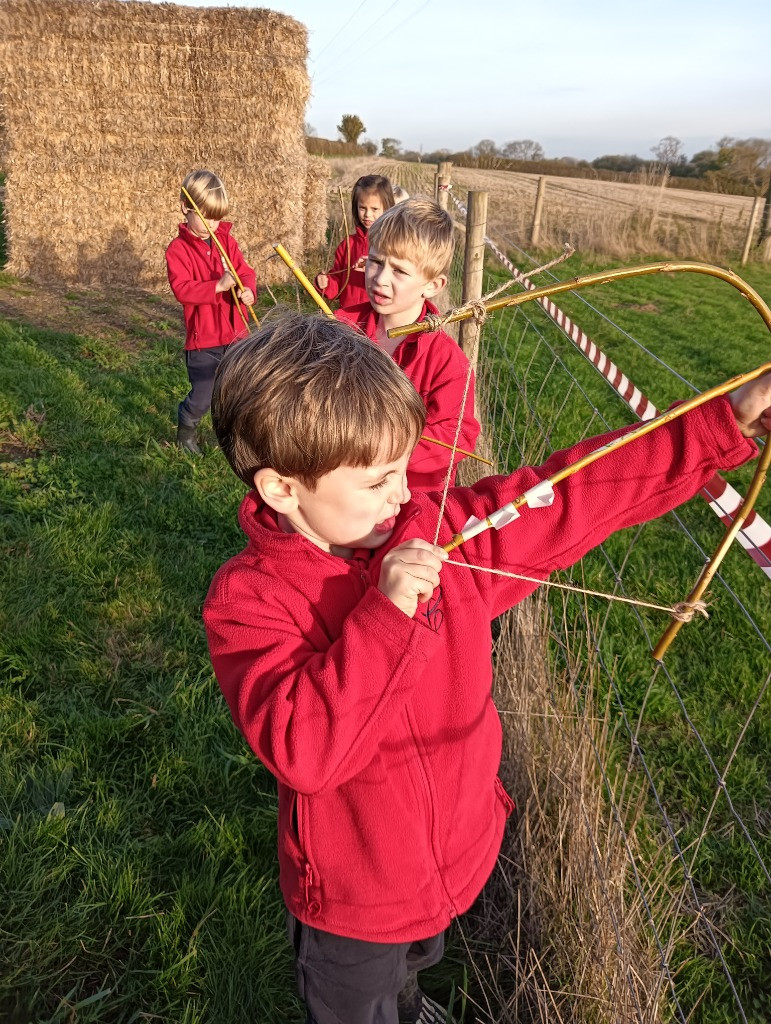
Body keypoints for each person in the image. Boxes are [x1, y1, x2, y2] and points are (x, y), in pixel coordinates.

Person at [203, 311, 770, 1024]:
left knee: (417, 965)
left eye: (405, 469)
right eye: (378, 481)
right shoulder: (249, 601)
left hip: (456, 852)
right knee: (357, 1003)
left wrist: (723, 423)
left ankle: (409, 1003)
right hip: (357, 898)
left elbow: (566, 494)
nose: (405, 495)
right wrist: (385, 616)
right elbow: (305, 750)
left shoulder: (437, 536)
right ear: (283, 489)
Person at [337, 197, 480, 491]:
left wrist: (386, 450)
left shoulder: (447, 362)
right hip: (345, 485)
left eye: (399, 271)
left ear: (433, 285)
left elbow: (457, 435)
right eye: (375, 262)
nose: (380, 279)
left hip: (411, 496)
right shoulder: (341, 327)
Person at [165, 169, 257, 454]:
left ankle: (232, 436)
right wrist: (217, 286)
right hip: (203, 340)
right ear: (185, 208)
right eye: (205, 217)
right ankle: (187, 424)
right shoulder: (177, 250)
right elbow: (182, 289)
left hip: (235, 334)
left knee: (237, 388)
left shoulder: (227, 242)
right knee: (204, 395)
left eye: (216, 217)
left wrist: (247, 290)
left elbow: (245, 271)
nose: (211, 225)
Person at [315, 174, 394, 310]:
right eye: (362, 208)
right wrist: (325, 283)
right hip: (347, 318)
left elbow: (397, 282)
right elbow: (337, 284)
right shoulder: (347, 245)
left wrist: (374, 266)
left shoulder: (392, 245)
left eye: (374, 209)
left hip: (377, 319)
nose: (367, 214)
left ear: (387, 209)